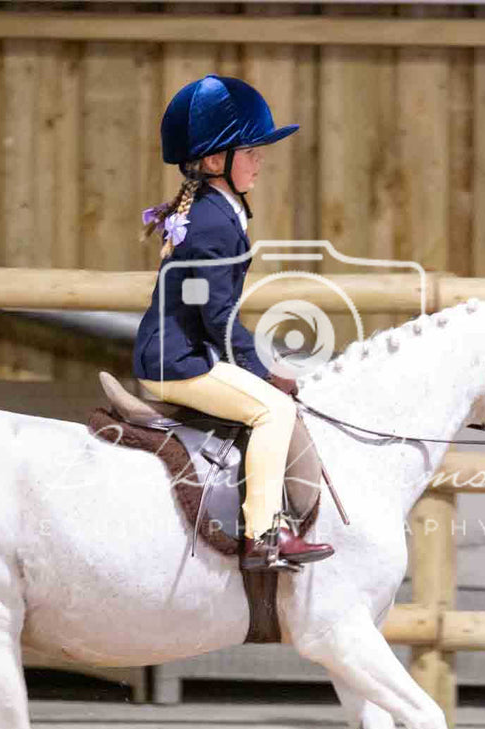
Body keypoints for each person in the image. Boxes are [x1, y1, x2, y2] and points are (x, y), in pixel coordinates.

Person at [134, 75, 333, 572]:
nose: (260, 159)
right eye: (250, 150)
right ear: (214, 161)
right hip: (177, 361)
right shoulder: (213, 223)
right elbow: (217, 315)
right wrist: (263, 373)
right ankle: (264, 534)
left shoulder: (217, 213)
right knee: (272, 412)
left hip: (183, 350)